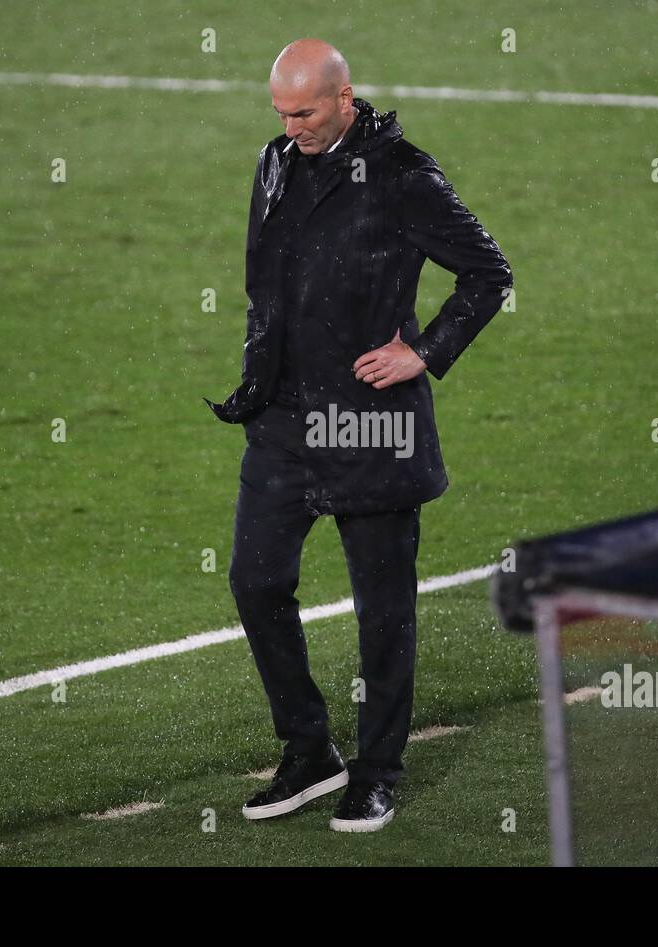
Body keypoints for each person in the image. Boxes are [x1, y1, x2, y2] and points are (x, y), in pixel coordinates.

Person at [204, 38, 512, 832]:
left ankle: (376, 769)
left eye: (304, 111)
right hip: (282, 421)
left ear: (346, 99)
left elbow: (488, 271)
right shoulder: (274, 164)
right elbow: (263, 283)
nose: (290, 126)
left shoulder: (404, 174)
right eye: (280, 112)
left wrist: (425, 350)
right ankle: (308, 750)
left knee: (383, 609)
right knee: (255, 581)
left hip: (372, 425)